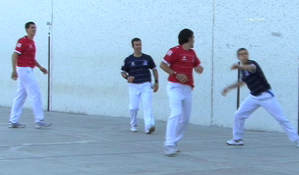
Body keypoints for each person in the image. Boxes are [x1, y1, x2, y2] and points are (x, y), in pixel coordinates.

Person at [222, 48, 299, 148]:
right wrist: (228, 88)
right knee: (239, 115)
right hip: (253, 96)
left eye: (246, 54)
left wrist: (239, 67)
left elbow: (251, 68)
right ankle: (237, 139)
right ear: (238, 57)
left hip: (266, 96)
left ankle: (296, 140)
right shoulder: (243, 71)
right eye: (241, 54)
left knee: (281, 119)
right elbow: (242, 83)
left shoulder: (253, 64)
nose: (244, 55)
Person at [160, 29, 204, 156]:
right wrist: (176, 74)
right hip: (175, 87)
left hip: (188, 89)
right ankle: (168, 144)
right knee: (176, 112)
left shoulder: (192, 53)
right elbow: (163, 65)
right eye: (193, 37)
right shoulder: (174, 51)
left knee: (185, 119)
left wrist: (199, 68)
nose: (194, 40)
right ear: (188, 38)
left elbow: (196, 66)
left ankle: (174, 142)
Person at [9, 22, 52, 129]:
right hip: (24, 70)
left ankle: (13, 121)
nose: (34, 29)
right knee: (35, 93)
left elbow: (32, 58)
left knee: (20, 96)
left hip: (28, 70)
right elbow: (14, 55)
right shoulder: (22, 41)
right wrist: (14, 71)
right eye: (32, 28)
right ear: (27, 29)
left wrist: (40, 67)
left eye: (35, 27)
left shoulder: (32, 42)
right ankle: (39, 120)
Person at [121, 38, 159, 134]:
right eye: (136, 45)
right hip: (133, 86)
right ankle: (133, 124)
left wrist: (156, 82)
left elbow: (154, 69)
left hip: (146, 84)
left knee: (147, 105)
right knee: (133, 108)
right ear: (133, 46)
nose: (139, 46)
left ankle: (148, 126)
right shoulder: (128, 59)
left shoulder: (147, 58)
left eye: (140, 44)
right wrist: (127, 78)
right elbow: (123, 72)